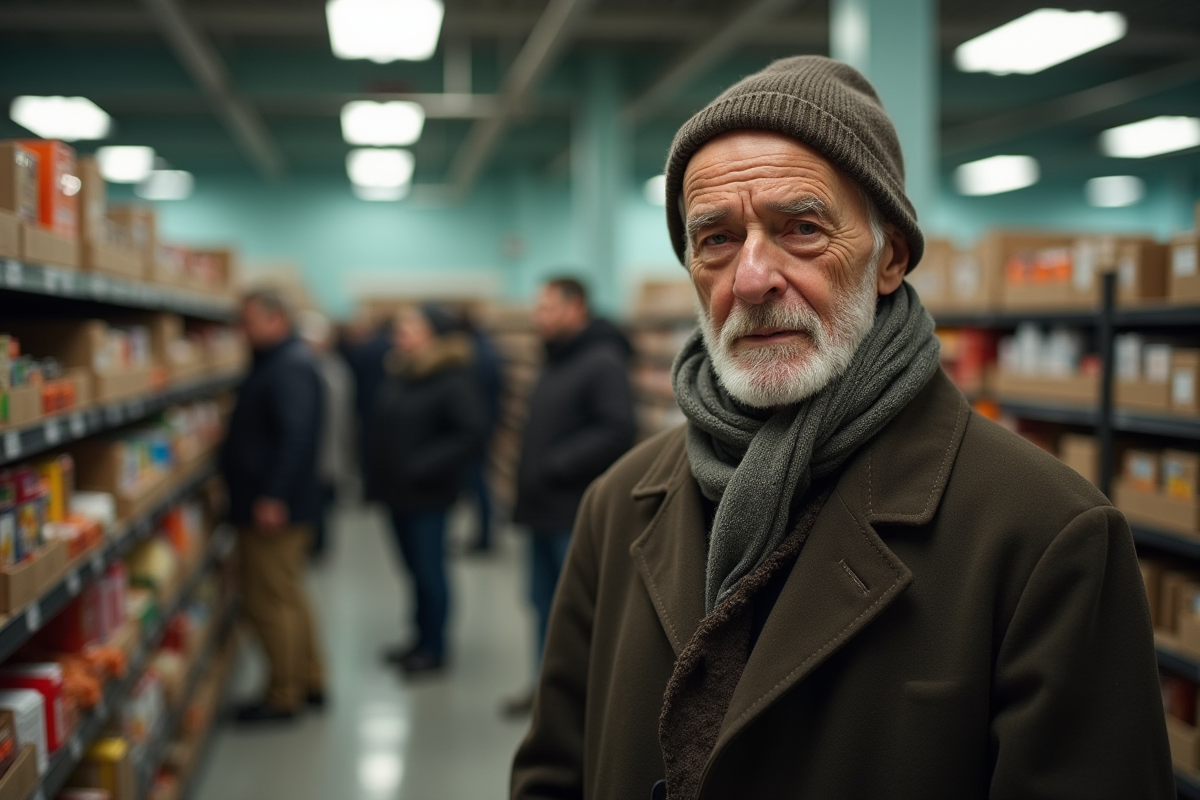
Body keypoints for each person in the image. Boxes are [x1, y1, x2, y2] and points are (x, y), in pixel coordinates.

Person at [512, 56, 1173, 799]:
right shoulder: (619, 502)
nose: (754, 278)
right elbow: (553, 776)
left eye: (801, 229)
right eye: (717, 239)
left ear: (889, 256)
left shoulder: (1045, 533)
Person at [505, 278, 636, 715]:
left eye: (545, 307)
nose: (536, 316)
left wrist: (554, 465)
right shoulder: (556, 359)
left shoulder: (601, 362)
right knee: (543, 604)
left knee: (576, 612)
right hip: (542, 509)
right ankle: (546, 690)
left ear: (575, 306)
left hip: (571, 510)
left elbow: (617, 429)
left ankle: (578, 703)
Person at [220, 288, 327, 724]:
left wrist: (273, 496)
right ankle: (310, 680)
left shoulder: (289, 367)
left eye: (248, 321)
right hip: (278, 503)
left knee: (270, 602)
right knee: (289, 595)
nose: (241, 331)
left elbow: (295, 436)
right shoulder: (282, 362)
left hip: (275, 508)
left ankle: (283, 696)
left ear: (276, 318)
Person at [367, 304, 485, 675]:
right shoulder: (403, 371)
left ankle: (434, 649)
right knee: (412, 571)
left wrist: (422, 464)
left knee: (430, 571)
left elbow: (472, 433)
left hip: (428, 494)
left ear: (432, 334)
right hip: (397, 492)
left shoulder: (451, 378)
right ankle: (418, 638)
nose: (398, 333)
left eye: (408, 327)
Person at [297, 310, 356, 563]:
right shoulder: (333, 367)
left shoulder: (328, 371)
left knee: (321, 505)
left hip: (324, 452)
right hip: (327, 453)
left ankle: (317, 548)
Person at [460, 311, 504, 554]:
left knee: (479, 484)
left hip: (477, 430)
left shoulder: (475, 355)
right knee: (480, 483)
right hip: (485, 425)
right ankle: (485, 534)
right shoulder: (487, 350)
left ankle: (485, 536)